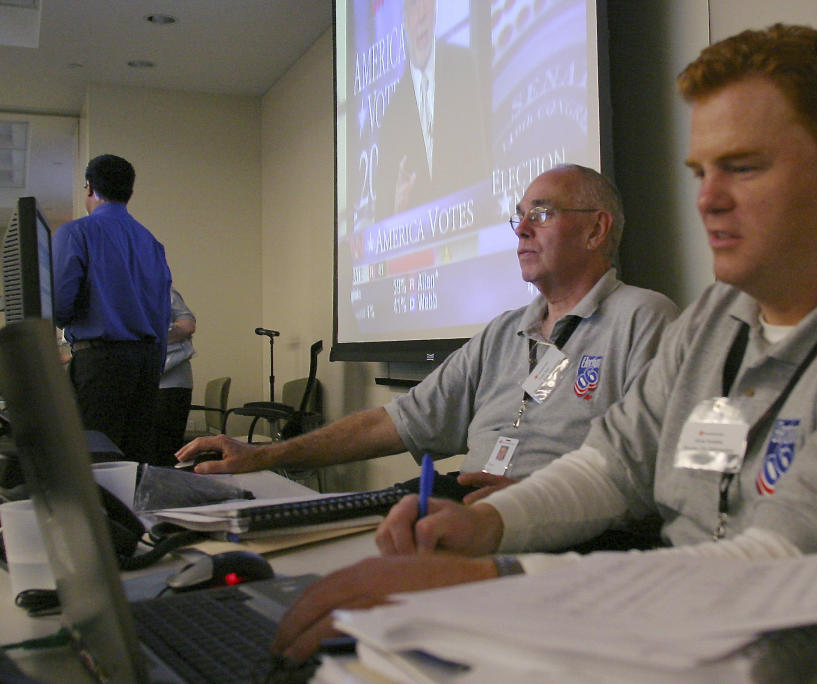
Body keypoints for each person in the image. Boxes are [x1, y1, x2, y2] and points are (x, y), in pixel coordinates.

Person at [267, 24, 817, 667]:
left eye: (742, 167)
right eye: (700, 172)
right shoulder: (717, 319)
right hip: (661, 640)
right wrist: (487, 528)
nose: (709, 200)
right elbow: (612, 465)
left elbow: (778, 570)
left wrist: (490, 579)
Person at [179, 164, 679, 502]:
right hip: (464, 509)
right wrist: (263, 456)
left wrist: (534, 500)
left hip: (566, 533)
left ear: (595, 230)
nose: (522, 229)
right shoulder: (504, 333)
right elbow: (394, 423)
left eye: (542, 213)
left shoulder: (643, 318)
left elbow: (651, 468)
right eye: (518, 216)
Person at [53, 154, 171, 465]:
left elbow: (61, 308)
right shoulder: (151, 242)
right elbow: (161, 315)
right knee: (135, 466)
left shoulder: (75, 233)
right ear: (129, 192)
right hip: (146, 366)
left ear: (89, 188)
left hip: (101, 365)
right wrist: (153, 371)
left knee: (94, 468)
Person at [374, 0, 489, 220]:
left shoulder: (464, 66)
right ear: (404, 19)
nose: (423, 15)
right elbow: (383, 215)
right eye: (414, 6)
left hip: (470, 226)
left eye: (428, 4)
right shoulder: (393, 113)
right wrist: (396, 207)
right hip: (417, 244)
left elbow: (482, 164)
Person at [155, 288, 197, 465]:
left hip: (171, 384)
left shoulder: (162, 291)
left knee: (164, 451)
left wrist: (147, 337)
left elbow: (188, 325)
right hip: (149, 383)